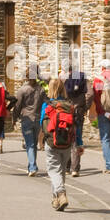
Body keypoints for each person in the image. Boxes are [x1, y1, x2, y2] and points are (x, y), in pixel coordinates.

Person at [40, 77, 77, 211]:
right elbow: (75, 126)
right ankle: (56, 199)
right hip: (67, 143)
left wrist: (40, 140)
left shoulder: (47, 105)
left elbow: (41, 124)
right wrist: (78, 143)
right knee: (60, 171)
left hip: (52, 142)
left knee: (54, 170)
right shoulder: (69, 106)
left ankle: (61, 193)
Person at [12, 64, 44, 177]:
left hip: (26, 119)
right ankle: (31, 166)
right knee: (33, 144)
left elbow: (17, 106)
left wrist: (14, 119)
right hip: (37, 119)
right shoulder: (41, 89)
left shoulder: (22, 90)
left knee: (30, 144)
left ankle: (32, 167)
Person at [64, 66, 92, 177]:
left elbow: (61, 96)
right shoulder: (84, 80)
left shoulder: (65, 81)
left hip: (67, 113)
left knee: (67, 139)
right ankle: (75, 169)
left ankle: (66, 167)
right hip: (79, 113)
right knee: (77, 139)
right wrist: (85, 107)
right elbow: (90, 95)